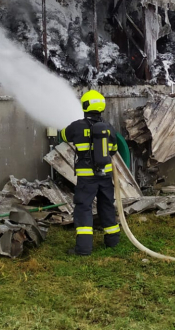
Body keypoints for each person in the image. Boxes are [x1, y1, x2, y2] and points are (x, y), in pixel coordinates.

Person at [59, 89, 121, 256]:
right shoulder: (108, 127)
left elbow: (63, 135)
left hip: (87, 178)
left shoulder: (77, 126)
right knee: (107, 205)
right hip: (106, 175)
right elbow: (114, 149)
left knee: (84, 208)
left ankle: (84, 248)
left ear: (85, 106)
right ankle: (113, 241)